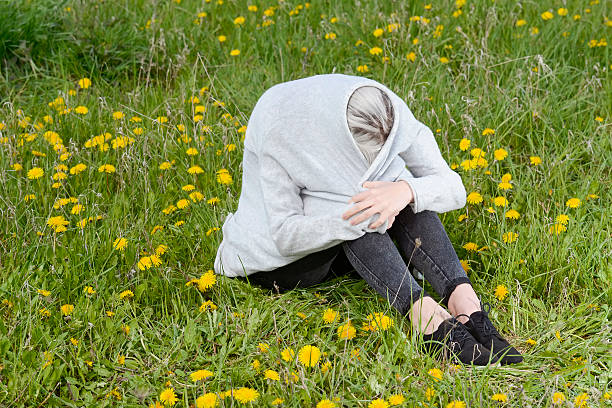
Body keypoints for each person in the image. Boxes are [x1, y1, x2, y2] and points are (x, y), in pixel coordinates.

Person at [214, 74, 522, 366]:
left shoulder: (384, 108)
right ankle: (428, 322)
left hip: (347, 228)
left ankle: (467, 305)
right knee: (362, 208)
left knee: (402, 196)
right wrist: (355, 219)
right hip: (287, 262)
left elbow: (453, 188)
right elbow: (284, 234)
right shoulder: (281, 129)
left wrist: (404, 190)